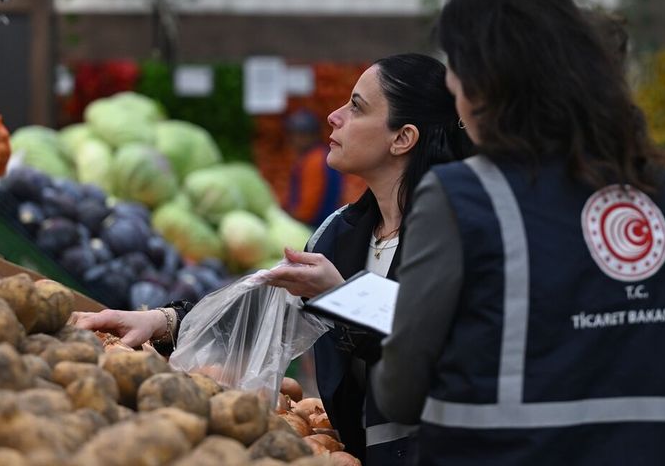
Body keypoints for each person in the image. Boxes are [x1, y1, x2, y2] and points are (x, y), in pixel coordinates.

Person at [370, 0, 665, 466]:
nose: (450, 83)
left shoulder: (464, 196)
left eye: (457, 65)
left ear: (490, 82)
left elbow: (401, 391)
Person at [72, 53, 473, 465]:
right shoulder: (341, 234)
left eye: (356, 107)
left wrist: (342, 296)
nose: (334, 117)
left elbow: (446, 347)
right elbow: (271, 312)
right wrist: (163, 321)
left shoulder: (460, 236)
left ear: (403, 138)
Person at [283, 108, 345, 227]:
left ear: (313, 135)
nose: (294, 140)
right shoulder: (316, 156)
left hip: (316, 228)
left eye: (300, 135)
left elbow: (306, 211)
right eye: (293, 135)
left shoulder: (315, 160)